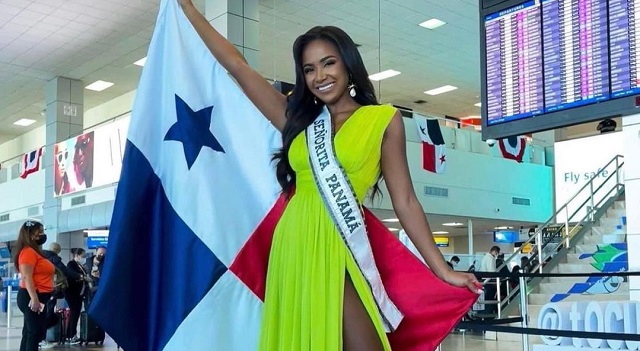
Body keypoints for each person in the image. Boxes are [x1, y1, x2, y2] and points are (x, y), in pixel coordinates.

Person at [179, 2, 480, 349]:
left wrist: (442, 269)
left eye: (328, 63)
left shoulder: (383, 120)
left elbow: (406, 201)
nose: (319, 76)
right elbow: (236, 64)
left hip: (343, 245)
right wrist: (186, 7)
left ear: (349, 65)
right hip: (294, 243)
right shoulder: (298, 120)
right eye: (309, 69)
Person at [14, 220, 55, 351]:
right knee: (34, 333)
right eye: (40, 233)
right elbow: (27, 276)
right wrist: (34, 299)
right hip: (31, 295)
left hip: (37, 296)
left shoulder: (34, 252)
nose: (43, 235)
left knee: (29, 332)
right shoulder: (28, 252)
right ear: (31, 235)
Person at [66, 248, 89, 345]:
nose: (84, 258)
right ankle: (71, 335)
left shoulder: (80, 265)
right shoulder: (71, 264)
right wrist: (82, 277)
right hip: (72, 292)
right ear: (77, 255)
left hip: (79, 292)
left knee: (75, 313)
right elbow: (72, 275)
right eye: (82, 256)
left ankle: (70, 335)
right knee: (74, 313)